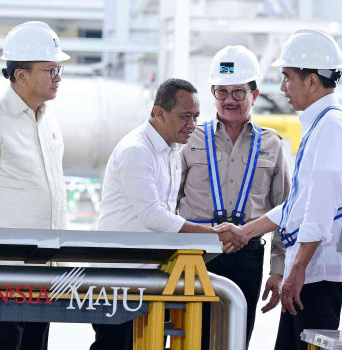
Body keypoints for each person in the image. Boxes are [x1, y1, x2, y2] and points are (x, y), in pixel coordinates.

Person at [215, 29, 342, 350]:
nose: (282, 87)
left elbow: (319, 209)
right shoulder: (320, 124)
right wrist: (244, 231)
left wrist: (297, 269)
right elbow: (296, 204)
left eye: (288, 77)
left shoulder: (331, 127)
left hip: (317, 273)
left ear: (312, 81)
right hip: (309, 269)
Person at [90, 78, 246, 350]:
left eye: (196, 116)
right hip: (120, 279)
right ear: (159, 113)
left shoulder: (171, 150)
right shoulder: (136, 151)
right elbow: (154, 216)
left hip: (150, 278)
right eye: (185, 116)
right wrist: (212, 235)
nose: (192, 125)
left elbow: (167, 213)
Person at [0, 21, 70, 350]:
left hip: (43, 276)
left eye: (58, 69)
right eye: (51, 69)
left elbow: (56, 194)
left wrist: (62, 266)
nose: (58, 77)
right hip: (1, 281)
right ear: (21, 75)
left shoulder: (48, 119)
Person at [177, 45, 290, 348]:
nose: (229, 100)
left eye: (238, 92)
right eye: (221, 92)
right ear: (212, 94)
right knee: (189, 339)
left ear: (254, 95)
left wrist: (278, 270)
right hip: (194, 255)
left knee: (235, 340)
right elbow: (167, 203)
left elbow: (285, 212)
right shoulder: (189, 140)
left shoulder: (273, 146)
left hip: (248, 257)